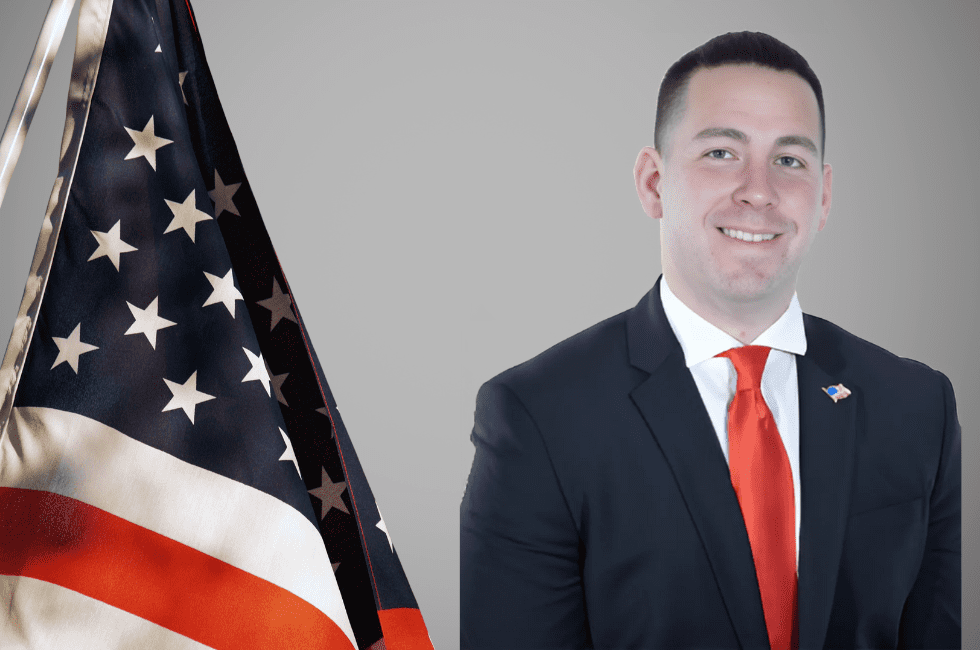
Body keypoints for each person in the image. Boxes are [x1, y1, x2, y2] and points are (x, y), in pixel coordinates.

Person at [459, 31, 961, 650]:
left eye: (790, 159)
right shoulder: (538, 416)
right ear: (652, 182)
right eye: (722, 152)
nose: (759, 190)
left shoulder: (917, 406)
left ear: (824, 196)